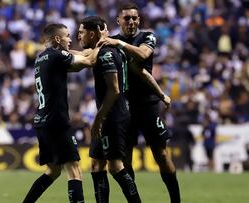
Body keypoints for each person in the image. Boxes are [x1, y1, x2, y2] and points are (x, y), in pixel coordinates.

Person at [99, 3, 181, 203]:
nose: (131, 22)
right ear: (118, 20)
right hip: (124, 106)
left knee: (161, 154)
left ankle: (176, 200)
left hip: (148, 105)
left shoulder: (147, 37)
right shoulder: (111, 41)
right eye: (126, 18)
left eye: (134, 18)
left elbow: (144, 55)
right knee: (126, 159)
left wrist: (119, 45)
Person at [23, 23, 101, 203]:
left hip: (42, 120)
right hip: (56, 121)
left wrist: (89, 50)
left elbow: (79, 54)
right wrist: (102, 42)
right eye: (67, 36)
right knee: (75, 170)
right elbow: (89, 61)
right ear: (58, 39)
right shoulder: (57, 57)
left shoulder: (41, 57)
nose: (70, 39)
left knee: (53, 171)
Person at [78, 16, 141, 203]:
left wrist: (99, 118)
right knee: (97, 165)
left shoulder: (106, 54)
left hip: (112, 116)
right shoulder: (105, 50)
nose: (78, 36)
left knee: (115, 166)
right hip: (109, 115)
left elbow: (114, 90)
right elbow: (86, 55)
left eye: (81, 33)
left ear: (91, 33)